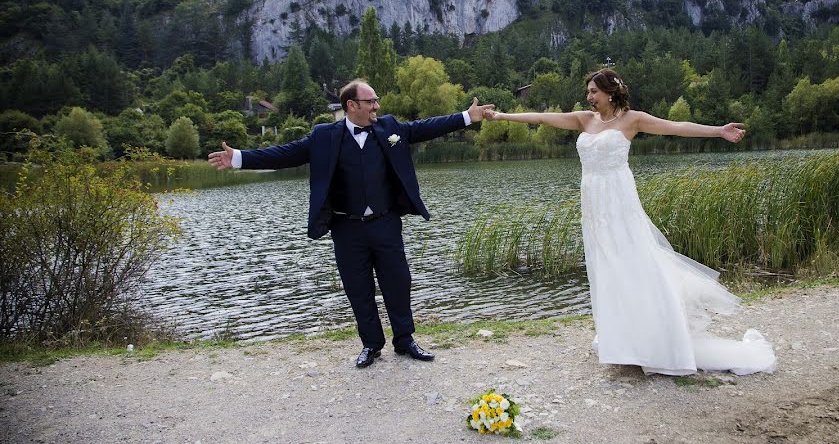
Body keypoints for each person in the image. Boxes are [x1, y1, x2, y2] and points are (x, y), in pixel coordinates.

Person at [483, 68, 776, 376]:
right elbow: (541, 118)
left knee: (635, 262)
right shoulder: (585, 119)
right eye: (588, 92)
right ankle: (623, 339)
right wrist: (502, 117)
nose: (589, 97)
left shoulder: (632, 119)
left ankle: (658, 339)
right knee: (607, 268)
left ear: (611, 92)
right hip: (594, 206)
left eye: (594, 92)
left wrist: (718, 131)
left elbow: (676, 127)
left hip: (619, 202)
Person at [208, 80, 494, 368]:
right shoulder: (323, 136)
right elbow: (286, 154)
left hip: (386, 223)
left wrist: (467, 117)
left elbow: (425, 127)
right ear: (352, 106)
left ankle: (405, 339)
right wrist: (239, 158)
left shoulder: (390, 127)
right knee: (358, 288)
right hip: (347, 229)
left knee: (398, 282)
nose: (376, 106)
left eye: (376, 101)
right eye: (370, 101)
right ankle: (371, 344)